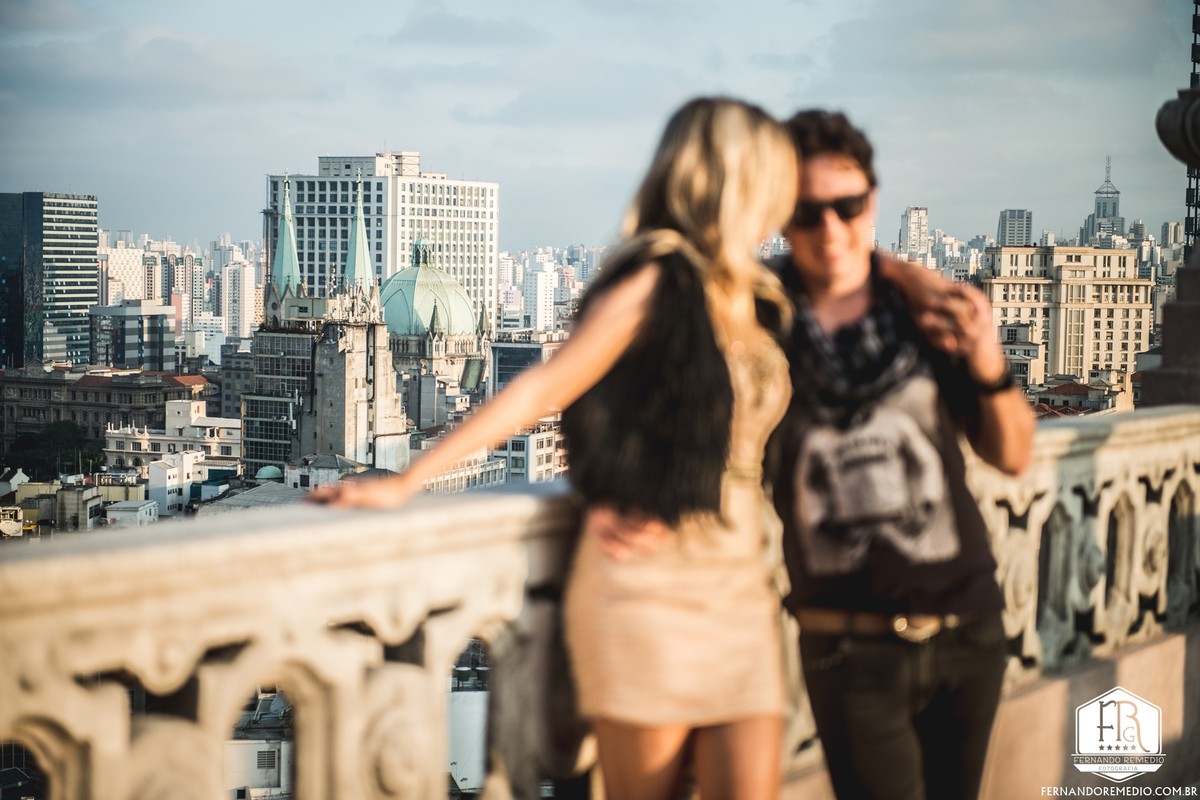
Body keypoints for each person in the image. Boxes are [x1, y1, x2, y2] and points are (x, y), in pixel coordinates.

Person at [311, 96, 801, 799]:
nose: (782, 201)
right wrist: (405, 482)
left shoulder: (756, 295)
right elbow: (546, 389)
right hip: (655, 581)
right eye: (774, 180)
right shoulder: (658, 275)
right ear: (736, 180)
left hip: (743, 581)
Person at [767, 109, 1035, 800]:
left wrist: (985, 361)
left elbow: (1010, 454)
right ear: (778, 215)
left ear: (873, 202)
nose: (830, 229)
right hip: (847, 648)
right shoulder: (758, 319)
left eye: (847, 206)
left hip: (968, 629)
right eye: (806, 211)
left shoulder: (925, 315)